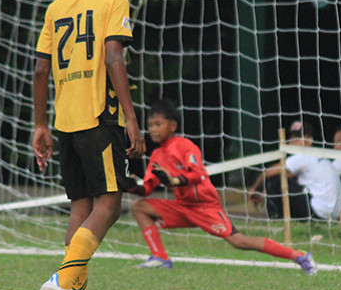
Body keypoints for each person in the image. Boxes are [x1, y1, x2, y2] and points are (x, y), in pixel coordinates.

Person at [32, 0, 144, 290]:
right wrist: (132, 119)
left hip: (66, 120)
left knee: (81, 206)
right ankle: (62, 282)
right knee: (109, 205)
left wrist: (40, 124)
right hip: (101, 116)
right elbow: (114, 57)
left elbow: (41, 71)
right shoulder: (114, 0)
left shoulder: (56, 7)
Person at [126, 99, 317, 274]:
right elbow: (147, 189)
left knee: (239, 241)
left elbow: (198, 174)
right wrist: (130, 186)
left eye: (158, 124)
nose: (153, 129)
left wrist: (174, 180)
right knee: (139, 206)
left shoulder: (185, 146)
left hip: (205, 207)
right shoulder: (157, 156)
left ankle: (299, 256)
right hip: (183, 206)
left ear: (173, 126)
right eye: (150, 125)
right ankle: (160, 257)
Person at [247, 120, 341, 221]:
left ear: (310, 140)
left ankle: (276, 219)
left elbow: (267, 173)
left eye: (297, 139)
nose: (292, 142)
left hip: (319, 213)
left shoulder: (304, 155)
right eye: (291, 139)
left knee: (276, 181)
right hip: (333, 215)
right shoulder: (319, 155)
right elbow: (290, 177)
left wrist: (254, 188)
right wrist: (264, 193)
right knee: (283, 179)